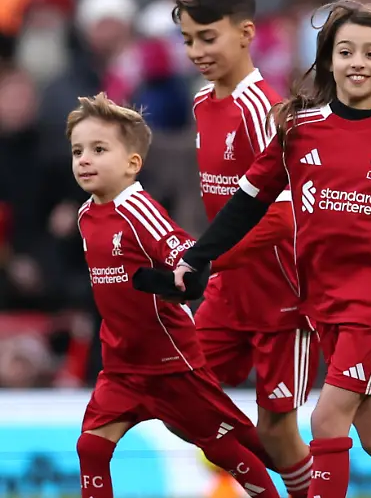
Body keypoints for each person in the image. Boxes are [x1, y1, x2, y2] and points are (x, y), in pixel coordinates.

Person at [165, 0, 371, 498]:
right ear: (328, 60)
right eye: (346, 51)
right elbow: (247, 203)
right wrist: (198, 257)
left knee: (327, 417)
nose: (358, 62)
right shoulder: (297, 128)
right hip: (320, 305)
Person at [68, 93, 280, 498]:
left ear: (133, 164)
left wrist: (179, 276)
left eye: (98, 149)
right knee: (90, 446)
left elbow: (182, 252)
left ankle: (294, 481)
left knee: (224, 448)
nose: (84, 159)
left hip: (170, 364)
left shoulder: (138, 209)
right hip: (122, 364)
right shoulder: (85, 215)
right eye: (78, 151)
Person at [177, 0, 317, 498]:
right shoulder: (201, 103)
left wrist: (209, 257)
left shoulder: (264, 109)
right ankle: (272, 486)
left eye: (207, 37)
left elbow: (284, 218)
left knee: (279, 428)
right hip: (227, 292)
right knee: (182, 397)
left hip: (281, 296)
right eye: (188, 40)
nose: (197, 51)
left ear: (245, 33)